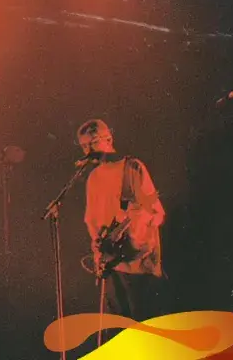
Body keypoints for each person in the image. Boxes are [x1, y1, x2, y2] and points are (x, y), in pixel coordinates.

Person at [77, 119, 166, 323]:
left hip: (139, 265)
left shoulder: (132, 168)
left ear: (109, 139)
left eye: (93, 143)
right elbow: (90, 220)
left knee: (144, 327)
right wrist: (97, 247)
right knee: (119, 329)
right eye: (84, 146)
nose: (88, 150)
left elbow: (157, 213)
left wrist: (134, 232)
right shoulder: (93, 178)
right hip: (111, 266)